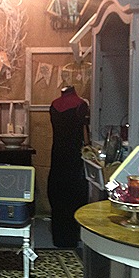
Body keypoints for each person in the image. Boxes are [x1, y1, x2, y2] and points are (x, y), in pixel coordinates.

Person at [47, 85, 90, 247]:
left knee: (58, 192)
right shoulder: (80, 104)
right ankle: (71, 236)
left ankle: (59, 235)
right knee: (73, 192)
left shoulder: (55, 105)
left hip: (58, 154)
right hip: (73, 155)